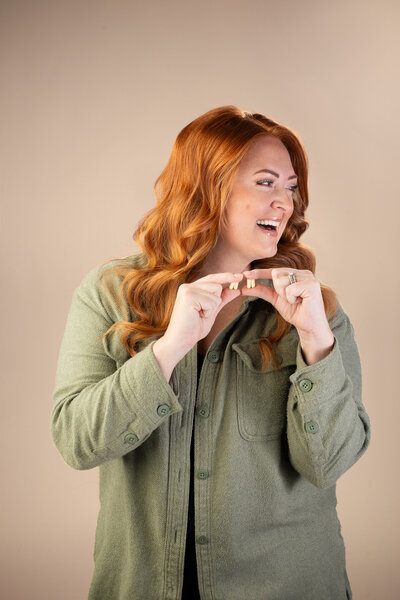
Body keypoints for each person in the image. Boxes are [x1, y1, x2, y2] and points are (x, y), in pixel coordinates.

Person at [51, 105, 371, 600]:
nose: (284, 203)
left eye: (290, 187)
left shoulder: (315, 310)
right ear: (206, 187)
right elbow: (77, 441)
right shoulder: (110, 293)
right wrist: (169, 348)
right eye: (266, 182)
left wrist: (315, 342)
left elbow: (327, 464)